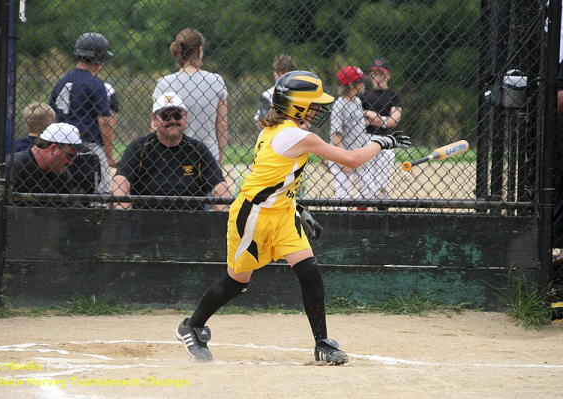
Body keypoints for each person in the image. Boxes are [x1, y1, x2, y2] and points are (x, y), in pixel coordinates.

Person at [174, 71, 410, 364]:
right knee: (237, 283)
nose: (317, 109)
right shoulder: (294, 135)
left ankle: (322, 343)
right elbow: (351, 160)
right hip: (254, 216)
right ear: (296, 106)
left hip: (283, 213)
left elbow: (278, 178)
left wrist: (298, 209)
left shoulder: (276, 131)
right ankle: (192, 326)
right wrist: (382, 142)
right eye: (312, 104)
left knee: (309, 270)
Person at [112, 92, 229, 211]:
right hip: (146, 221)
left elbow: (219, 186)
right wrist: (125, 217)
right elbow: (121, 180)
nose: (173, 120)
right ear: (154, 119)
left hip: (191, 221)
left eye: (178, 115)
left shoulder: (198, 150)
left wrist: (223, 218)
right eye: (166, 116)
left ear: (186, 116)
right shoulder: (139, 148)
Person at [49, 32, 117, 196]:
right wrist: (109, 156)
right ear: (99, 59)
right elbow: (105, 122)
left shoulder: (62, 81)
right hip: (89, 147)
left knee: (65, 192)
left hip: (61, 147)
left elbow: (51, 115)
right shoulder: (95, 83)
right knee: (100, 196)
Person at [152, 28, 228, 165]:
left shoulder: (164, 83)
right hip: (208, 155)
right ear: (200, 50)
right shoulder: (216, 81)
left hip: (173, 156)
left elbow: (155, 125)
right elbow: (222, 125)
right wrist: (219, 161)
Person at [5, 122, 88, 207]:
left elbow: (69, 213)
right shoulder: (13, 167)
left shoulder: (63, 175)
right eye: (69, 156)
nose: (71, 163)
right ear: (53, 148)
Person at [329, 66, 376, 209]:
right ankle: (342, 223)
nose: (364, 84)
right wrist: (344, 161)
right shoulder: (340, 104)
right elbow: (335, 134)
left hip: (359, 155)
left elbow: (356, 124)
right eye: (360, 81)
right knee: (344, 195)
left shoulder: (357, 101)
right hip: (344, 158)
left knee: (368, 191)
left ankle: (361, 219)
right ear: (351, 85)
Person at [358, 58, 404, 204]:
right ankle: (363, 213)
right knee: (365, 182)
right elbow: (357, 120)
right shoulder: (364, 96)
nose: (377, 77)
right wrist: (377, 118)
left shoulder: (394, 96)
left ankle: (382, 212)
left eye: (381, 74)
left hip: (386, 142)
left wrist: (371, 116)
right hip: (365, 139)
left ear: (388, 75)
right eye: (374, 74)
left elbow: (393, 121)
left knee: (382, 184)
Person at [254, 54, 298, 127]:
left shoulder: (300, 93)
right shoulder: (268, 94)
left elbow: (306, 125)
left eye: (283, 73)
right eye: (276, 72)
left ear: (291, 73)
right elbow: (260, 123)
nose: (278, 76)